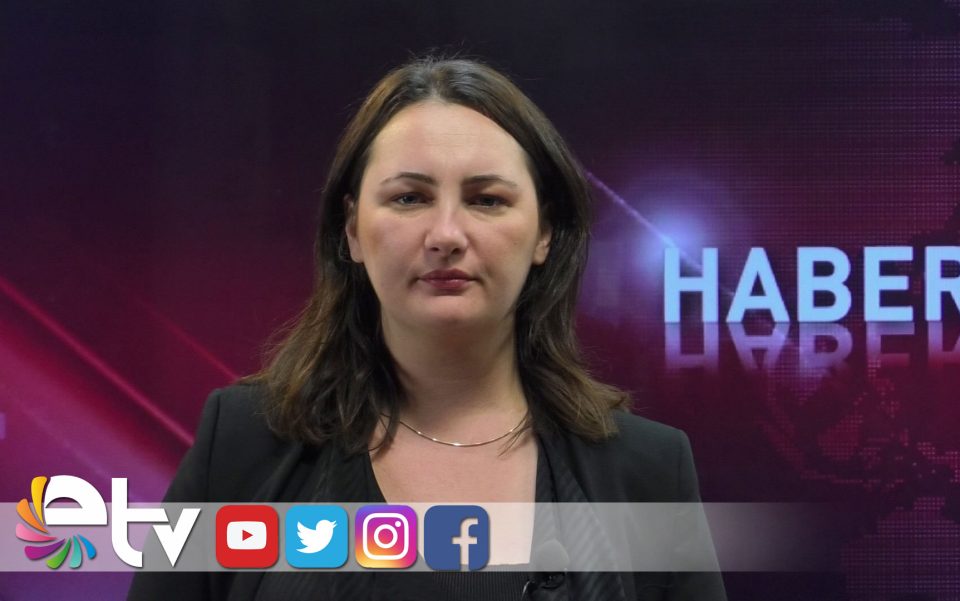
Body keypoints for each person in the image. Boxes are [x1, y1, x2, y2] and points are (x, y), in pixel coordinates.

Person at [128, 56, 727, 601]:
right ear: (352, 229)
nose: (446, 235)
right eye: (410, 198)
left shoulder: (648, 470)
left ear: (544, 232)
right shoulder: (243, 442)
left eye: (486, 200)